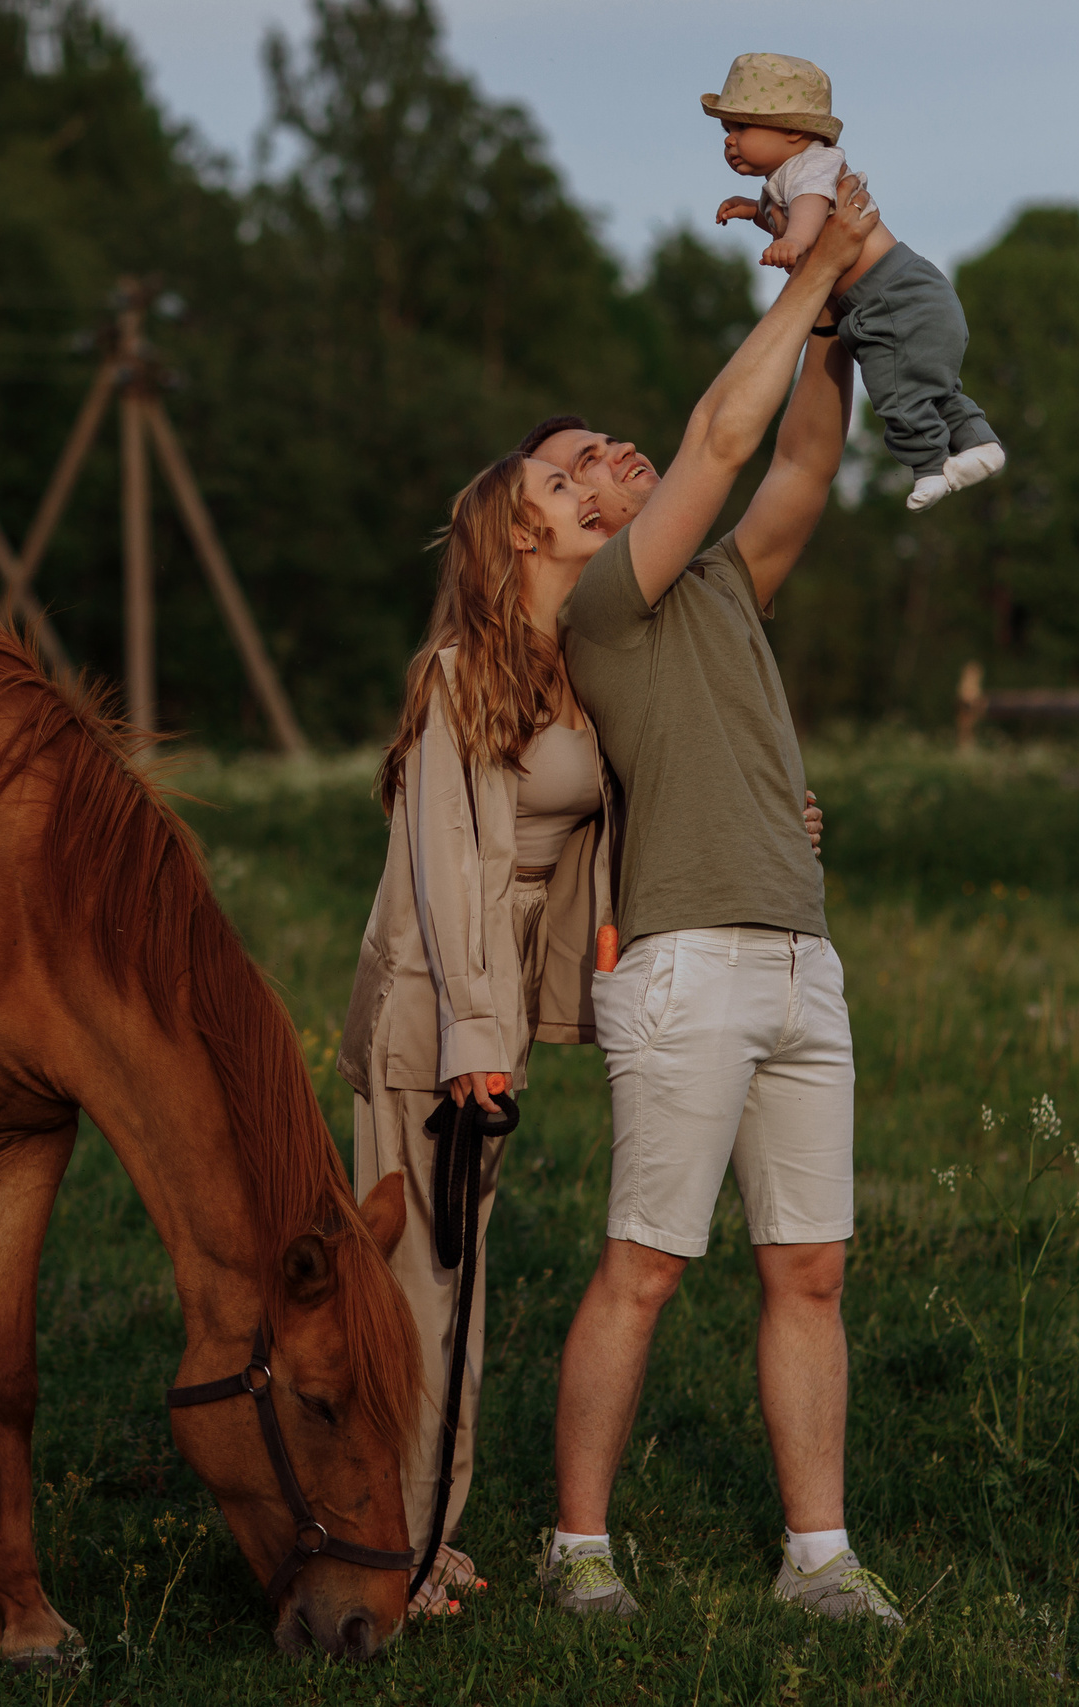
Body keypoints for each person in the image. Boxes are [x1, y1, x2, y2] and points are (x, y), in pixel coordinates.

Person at [336, 456, 822, 1620]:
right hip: (434, 997)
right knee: (416, 1285)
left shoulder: (567, 671)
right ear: (517, 537)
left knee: (462, 1272)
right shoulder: (458, 674)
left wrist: (777, 813)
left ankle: (424, 1533)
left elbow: (655, 791)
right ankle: (384, 1549)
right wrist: (467, 1037)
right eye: (556, 486)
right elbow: (449, 865)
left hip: (500, 1005)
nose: (583, 492)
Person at [528, 171, 905, 1628]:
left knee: (810, 1266)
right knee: (644, 1266)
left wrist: (843, 298)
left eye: (601, 450)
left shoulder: (723, 588)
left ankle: (819, 1553)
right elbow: (720, 434)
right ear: (551, 537)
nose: (610, 458)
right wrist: (804, 272)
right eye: (575, 470)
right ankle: (578, 1546)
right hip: (682, 963)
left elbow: (799, 461)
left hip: (805, 960)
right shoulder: (604, 604)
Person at [704, 51, 1003, 512]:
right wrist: (753, 210)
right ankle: (982, 448)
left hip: (897, 297)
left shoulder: (813, 166)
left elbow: (807, 213)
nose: (729, 142)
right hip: (898, 298)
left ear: (792, 130)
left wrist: (795, 241)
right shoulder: (785, 179)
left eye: (741, 128)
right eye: (726, 131)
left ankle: (929, 468)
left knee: (896, 392)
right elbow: (789, 215)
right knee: (931, 388)